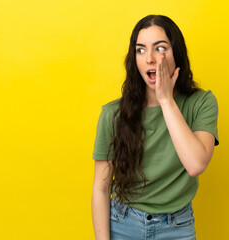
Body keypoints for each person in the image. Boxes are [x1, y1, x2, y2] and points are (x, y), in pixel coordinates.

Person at [92, 14, 219, 240]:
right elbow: (100, 189)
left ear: (176, 53)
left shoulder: (201, 103)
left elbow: (196, 164)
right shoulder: (113, 114)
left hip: (177, 227)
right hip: (123, 224)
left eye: (160, 48)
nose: (150, 58)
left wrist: (166, 100)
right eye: (140, 50)